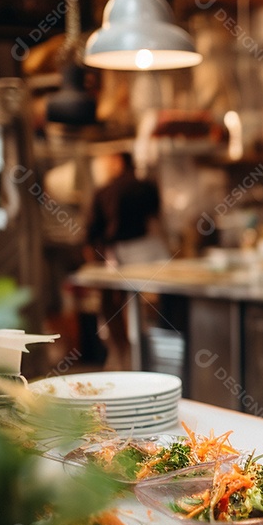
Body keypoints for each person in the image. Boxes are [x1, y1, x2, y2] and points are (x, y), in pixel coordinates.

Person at [85, 151, 169, 370]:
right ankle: (145, 357)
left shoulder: (104, 191)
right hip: (152, 252)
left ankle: (124, 353)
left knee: (112, 305)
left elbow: (92, 234)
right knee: (153, 308)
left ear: (117, 162)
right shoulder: (147, 187)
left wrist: (97, 261)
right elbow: (158, 219)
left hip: (121, 255)